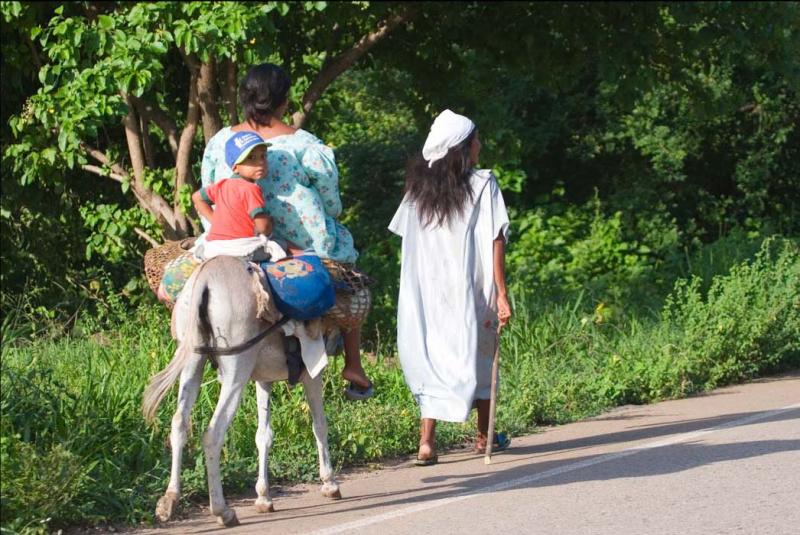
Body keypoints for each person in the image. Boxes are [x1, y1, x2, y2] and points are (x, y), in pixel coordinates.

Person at [199, 63, 373, 400]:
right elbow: (332, 205)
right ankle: (353, 365)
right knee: (351, 275)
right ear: (284, 101)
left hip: (230, 239)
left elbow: (208, 187)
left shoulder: (221, 142)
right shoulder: (307, 147)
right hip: (300, 243)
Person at [388, 109, 513, 465]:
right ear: (461, 148)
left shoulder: (416, 191)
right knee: (481, 351)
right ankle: (483, 435)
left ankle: (427, 442)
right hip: (472, 285)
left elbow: (407, 242)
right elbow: (496, 238)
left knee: (433, 355)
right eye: (475, 140)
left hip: (428, 291)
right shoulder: (484, 184)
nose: (480, 145)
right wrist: (501, 292)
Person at [191, 131, 273, 261]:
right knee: (278, 248)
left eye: (263, 156)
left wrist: (214, 221)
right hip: (240, 248)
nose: (260, 162)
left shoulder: (222, 185)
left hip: (214, 246)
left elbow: (197, 197)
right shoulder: (251, 189)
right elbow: (263, 227)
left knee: (201, 247)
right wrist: (269, 227)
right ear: (235, 167)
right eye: (252, 158)